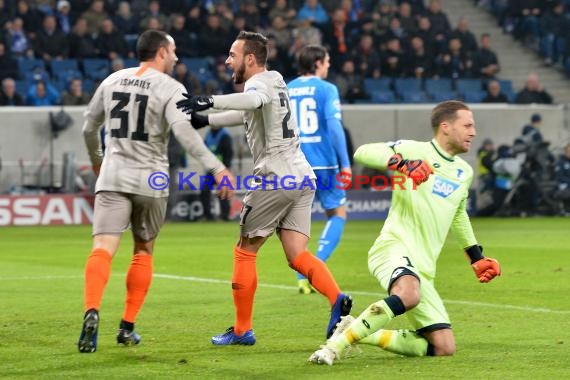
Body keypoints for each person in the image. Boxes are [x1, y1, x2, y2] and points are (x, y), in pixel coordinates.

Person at [176, 31, 352, 345]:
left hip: (275, 178)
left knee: (245, 251)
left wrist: (210, 100)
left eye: (232, 54)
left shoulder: (257, 84)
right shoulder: (276, 80)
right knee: (297, 255)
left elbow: (253, 99)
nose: (228, 61)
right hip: (301, 176)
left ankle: (242, 330)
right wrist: (208, 120)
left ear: (251, 58)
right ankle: (337, 299)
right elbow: (250, 109)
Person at [77, 29, 235, 354]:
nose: (176, 57)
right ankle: (126, 327)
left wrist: (97, 162)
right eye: (173, 51)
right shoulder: (171, 87)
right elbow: (185, 134)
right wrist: (215, 167)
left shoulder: (112, 80)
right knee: (143, 250)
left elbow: (88, 127)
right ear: (161, 51)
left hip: (113, 175)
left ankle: (92, 310)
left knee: (102, 249)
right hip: (151, 179)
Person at [309, 100, 501, 365]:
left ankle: (355, 330)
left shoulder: (463, 172)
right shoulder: (414, 150)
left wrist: (476, 257)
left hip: (424, 269)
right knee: (409, 294)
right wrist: (401, 164)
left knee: (443, 346)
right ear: (445, 127)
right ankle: (333, 347)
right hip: (393, 248)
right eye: (467, 125)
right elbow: (363, 152)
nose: (473, 132)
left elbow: (458, 213)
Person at [287, 45, 351, 294]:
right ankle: (317, 265)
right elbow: (334, 126)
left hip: (294, 163)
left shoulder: (288, 88)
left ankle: (303, 275)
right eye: (326, 61)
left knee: (296, 222)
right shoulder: (327, 89)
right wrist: (345, 163)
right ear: (316, 62)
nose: (329, 65)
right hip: (323, 163)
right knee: (337, 213)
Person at [201, 126, 233, 221]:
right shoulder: (208, 135)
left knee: (223, 192)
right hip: (211, 170)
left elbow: (228, 153)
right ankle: (208, 216)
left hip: (223, 169)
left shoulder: (225, 135)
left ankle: (225, 216)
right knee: (204, 191)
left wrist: (226, 168)